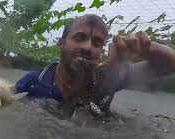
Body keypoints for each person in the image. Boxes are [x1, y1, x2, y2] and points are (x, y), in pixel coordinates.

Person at [13, 14, 175, 117]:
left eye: (97, 43)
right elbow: (2, 94)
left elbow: (169, 65)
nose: (88, 47)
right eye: (79, 37)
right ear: (61, 44)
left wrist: (147, 48)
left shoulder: (108, 79)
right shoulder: (35, 80)